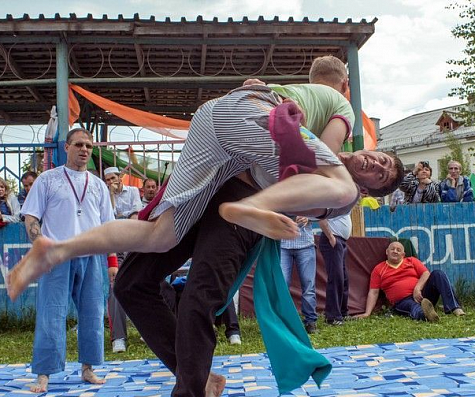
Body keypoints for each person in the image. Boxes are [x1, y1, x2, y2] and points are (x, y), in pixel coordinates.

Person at [6, 87, 404, 301]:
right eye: (383, 159)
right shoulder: (341, 111)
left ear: (377, 189)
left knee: (162, 236)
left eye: (382, 175)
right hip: (245, 112)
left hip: (220, 139)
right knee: (340, 185)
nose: (376, 165)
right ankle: (247, 209)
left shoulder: (323, 152)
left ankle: (57, 249)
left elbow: (292, 165)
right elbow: (320, 158)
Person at [18, 128, 117, 393]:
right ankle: (44, 374)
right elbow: (31, 217)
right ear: (66, 147)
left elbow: (109, 227)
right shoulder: (47, 180)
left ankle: (88, 369)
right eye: (79, 145)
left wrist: (112, 262)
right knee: (51, 313)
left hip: (92, 255)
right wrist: (40, 245)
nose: (84, 149)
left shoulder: (97, 184)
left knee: (93, 314)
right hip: (57, 255)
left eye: (89, 146)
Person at [356, 241, 464, 322]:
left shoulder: (411, 261)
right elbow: (373, 292)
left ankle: (454, 308)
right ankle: (427, 315)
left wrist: (418, 288)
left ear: (403, 254)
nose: (395, 251)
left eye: (399, 250)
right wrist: (367, 313)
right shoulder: (378, 269)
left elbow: (426, 274)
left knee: (438, 274)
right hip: (402, 301)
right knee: (413, 307)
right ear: (387, 252)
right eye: (393, 249)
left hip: (422, 294)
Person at [103, 166, 143, 353]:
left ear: (120, 177)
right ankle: (118, 337)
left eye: (113, 178)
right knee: (115, 288)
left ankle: (148, 329)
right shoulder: (105, 195)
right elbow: (108, 219)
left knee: (143, 285)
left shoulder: (133, 191)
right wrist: (110, 195)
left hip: (133, 243)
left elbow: (136, 218)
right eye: (108, 180)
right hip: (114, 244)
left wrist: (121, 221)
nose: (111, 182)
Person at [280, 216, 318, 334]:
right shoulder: (279, 198)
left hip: (305, 244)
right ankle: (284, 322)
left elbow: (320, 213)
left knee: (308, 286)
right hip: (282, 244)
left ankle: (310, 321)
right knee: (282, 286)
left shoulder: (309, 198)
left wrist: (309, 218)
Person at [318, 214, 352, 325]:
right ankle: (332, 317)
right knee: (336, 277)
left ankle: (342, 312)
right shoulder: (331, 200)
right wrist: (331, 237)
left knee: (343, 278)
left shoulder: (343, 204)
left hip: (340, 241)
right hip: (332, 240)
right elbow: (322, 219)